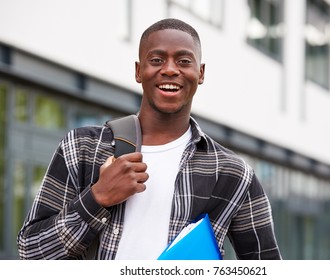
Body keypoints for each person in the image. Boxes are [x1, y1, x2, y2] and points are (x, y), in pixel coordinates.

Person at [17, 18, 281, 260]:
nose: (169, 70)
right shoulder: (82, 147)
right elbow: (31, 252)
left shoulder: (233, 173)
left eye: (184, 61)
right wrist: (97, 198)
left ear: (200, 74)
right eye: (156, 60)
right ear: (138, 71)